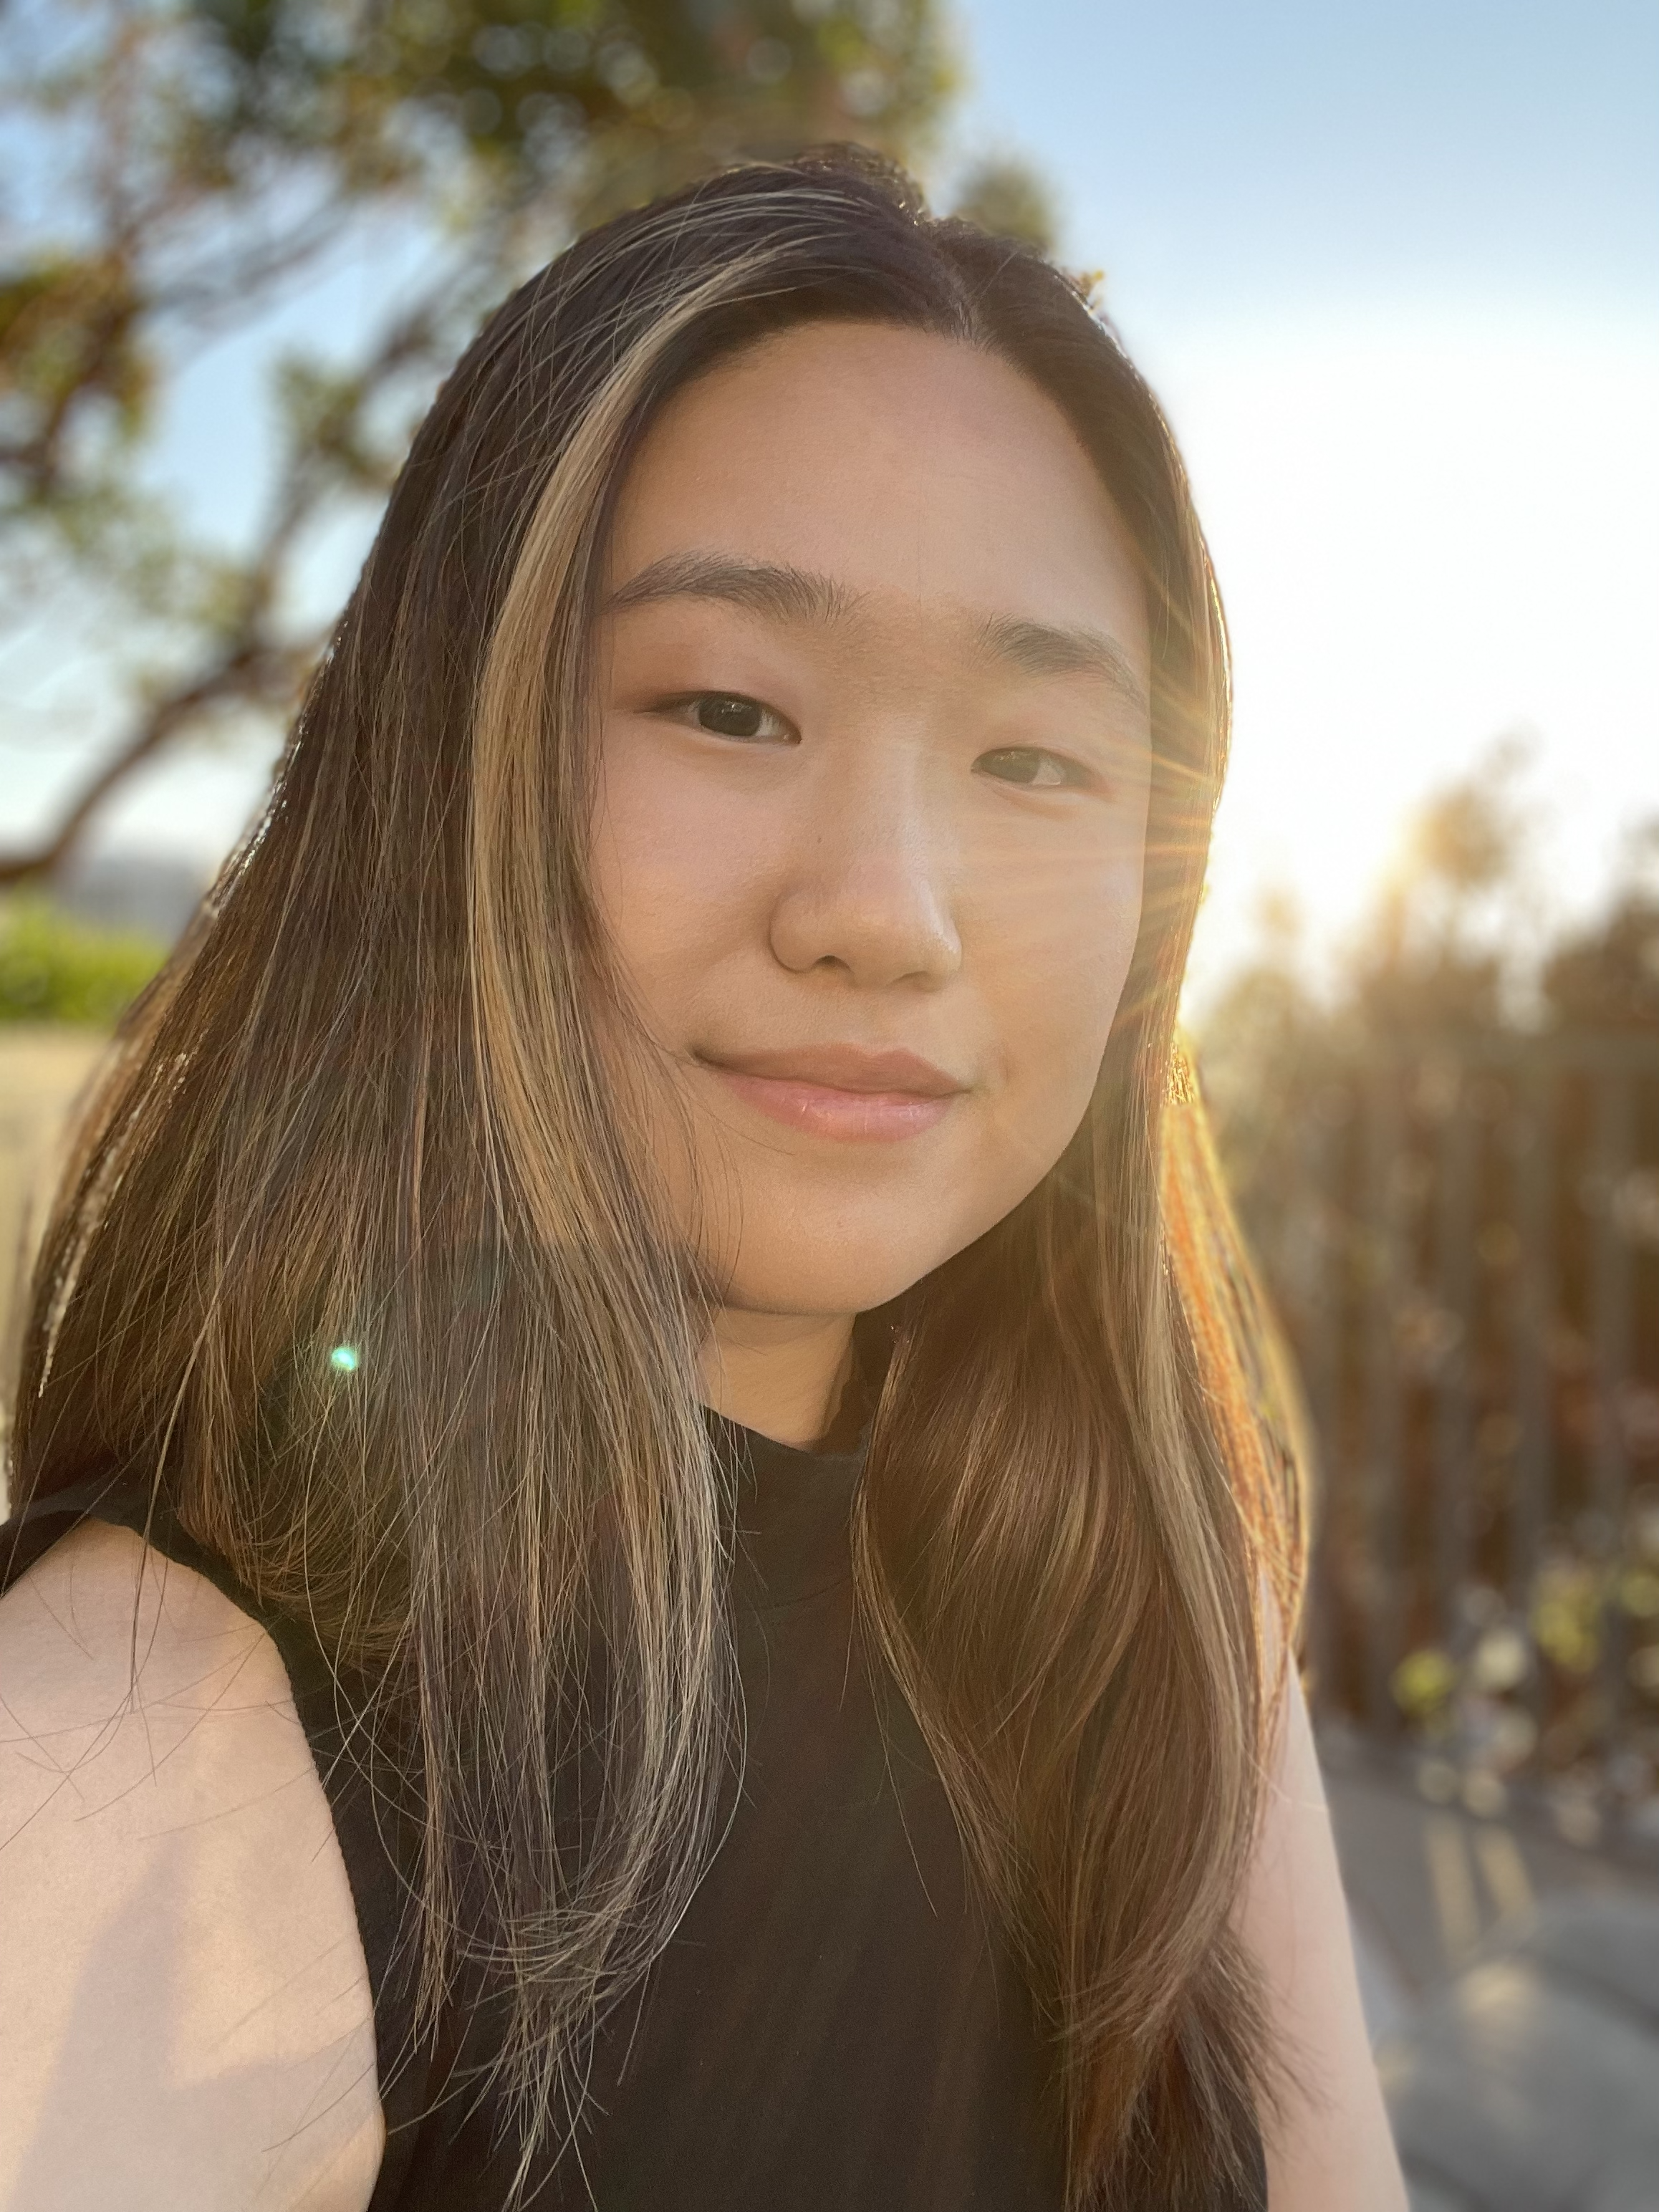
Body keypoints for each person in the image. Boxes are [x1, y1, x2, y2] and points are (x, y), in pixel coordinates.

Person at [0, 150, 1404, 2212]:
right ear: (442, 778)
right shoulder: (131, 1748)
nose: (887, 915)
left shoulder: (1159, 1605)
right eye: (728, 709)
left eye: (1033, 764)